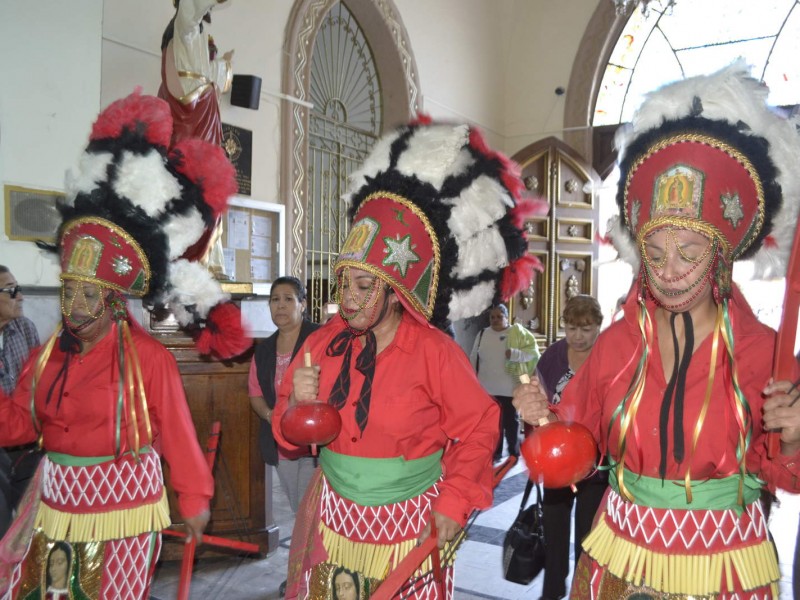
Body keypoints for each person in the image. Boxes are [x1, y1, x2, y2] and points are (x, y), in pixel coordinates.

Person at [513, 62, 800, 599]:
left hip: (724, 560)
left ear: (721, 256)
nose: (668, 269)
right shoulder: (617, 343)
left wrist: (795, 433)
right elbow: (578, 442)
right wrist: (543, 420)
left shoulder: (763, 351)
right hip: (620, 549)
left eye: (688, 252)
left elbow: (785, 475)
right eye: (656, 252)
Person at [273, 120, 542, 599]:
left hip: (410, 524)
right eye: (344, 284)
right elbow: (287, 435)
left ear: (397, 293)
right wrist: (295, 409)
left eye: (363, 286)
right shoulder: (319, 344)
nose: (348, 301)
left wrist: (454, 500)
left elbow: (481, 427)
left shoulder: (434, 352)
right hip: (331, 516)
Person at [0, 90, 247, 599]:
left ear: (114, 299)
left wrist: (196, 497)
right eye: (68, 290)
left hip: (122, 507)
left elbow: (177, 434)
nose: (73, 304)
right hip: (57, 499)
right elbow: (21, 422)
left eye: (87, 293)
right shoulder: (48, 353)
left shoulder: (148, 359)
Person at [534, 294, 606, 600]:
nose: (578, 336)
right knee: (554, 529)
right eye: (572, 328)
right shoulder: (552, 357)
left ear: (599, 326)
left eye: (586, 329)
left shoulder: (609, 355)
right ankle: (552, 591)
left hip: (597, 462)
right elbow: (537, 401)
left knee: (587, 537)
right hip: (558, 460)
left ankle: (583, 591)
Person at [248, 276, 320, 512]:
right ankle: (305, 549)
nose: (280, 305)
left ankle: (309, 549)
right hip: (283, 443)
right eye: (274, 300)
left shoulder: (320, 339)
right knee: (298, 507)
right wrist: (271, 417)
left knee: (310, 509)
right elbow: (255, 393)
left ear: (303, 304)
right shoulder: (264, 350)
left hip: (318, 441)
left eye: (288, 299)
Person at [158, 0, 233, 147]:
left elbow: (204, 70)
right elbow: (190, 10)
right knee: (190, 152)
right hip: (191, 97)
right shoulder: (184, 26)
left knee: (204, 157)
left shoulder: (199, 33)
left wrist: (224, 63)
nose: (208, 9)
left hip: (202, 101)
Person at [470, 303, 539, 462]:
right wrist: (473, 382)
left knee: (511, 423)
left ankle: (514, 453)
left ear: (507, 318)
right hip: (487, 388)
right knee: (493, 424)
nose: (495, 320)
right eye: (492, 317)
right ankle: (496, 453)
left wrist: (515, 354)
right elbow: (474, 358)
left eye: (499, 317)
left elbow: (533, 354)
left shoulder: (517, 333)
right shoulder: (482, 334)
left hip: (510, 388)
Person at [0, 267, 40, 536]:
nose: (21, 296)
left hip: (28, 443)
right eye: (11, 290)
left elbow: (40, 385)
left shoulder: (24, 328)